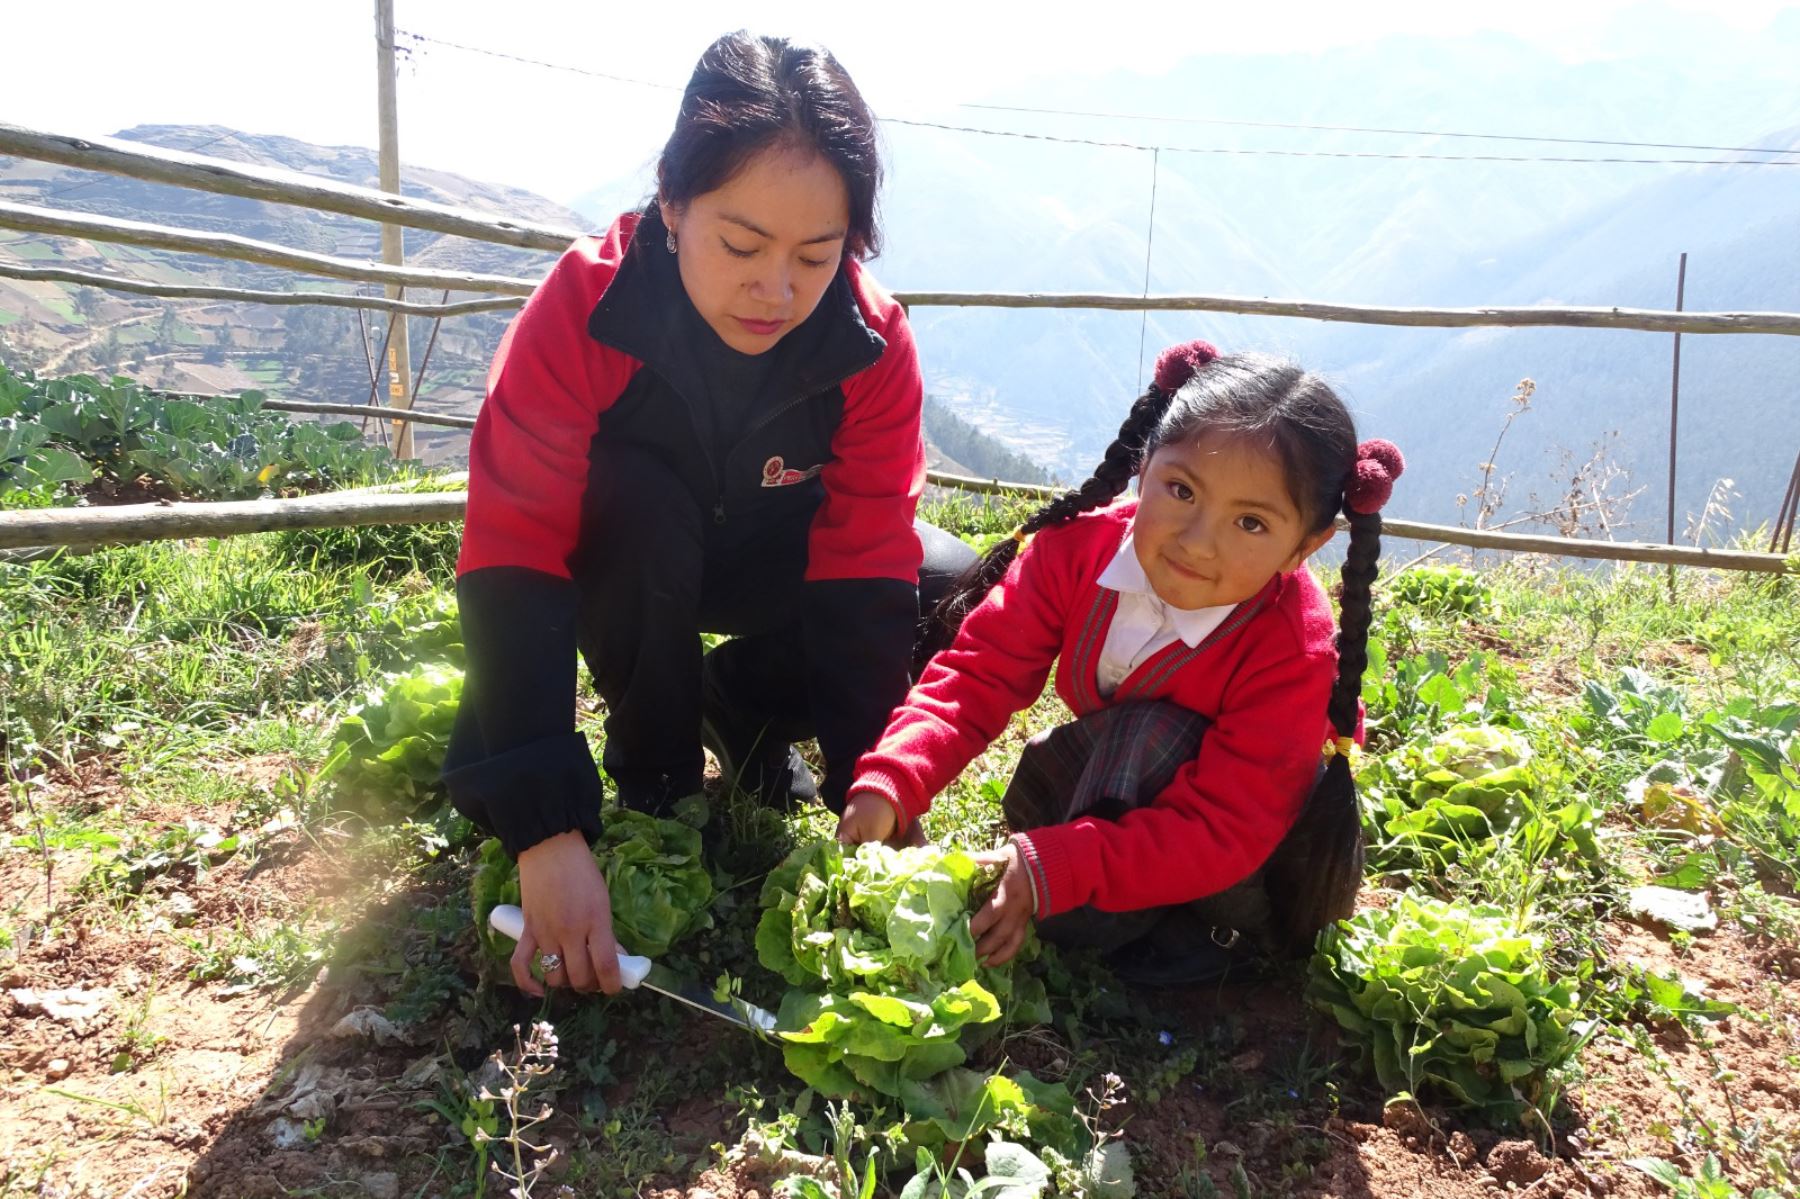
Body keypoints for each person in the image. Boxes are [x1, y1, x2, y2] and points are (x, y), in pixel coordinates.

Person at [444, 31, 974, 999]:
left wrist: (879, 786)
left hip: (773, 556)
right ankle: (658, 774)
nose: (776, 289)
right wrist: (545, 828)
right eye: (740, 244)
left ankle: (744, 706)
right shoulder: (586, 306)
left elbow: (863, 567)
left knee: (946, 587)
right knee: (637, 497)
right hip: (632, 557)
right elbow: (514, 555)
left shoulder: (869, 342)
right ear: (673, 202)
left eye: (817, 255)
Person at [836, 339, 1405, 984]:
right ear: (1144, 468)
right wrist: (893, 780)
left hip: (1251, 837)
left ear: (1304, 547)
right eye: (1182, 489)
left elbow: (1226, 824)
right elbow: (979, 671)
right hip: (1133, 774)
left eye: (1250, 524)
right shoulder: (1076, 555)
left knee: (1145, 747)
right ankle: (1099, 887)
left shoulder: (1292, 652)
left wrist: (1059, 867)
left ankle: (1195, 929)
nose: (1197, 542)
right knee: (1082, 769)